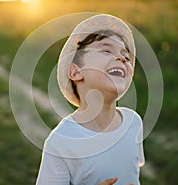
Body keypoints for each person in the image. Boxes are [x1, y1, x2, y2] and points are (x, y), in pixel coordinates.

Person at [36, 14, 145, 185]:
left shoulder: (133, 122)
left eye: (126, 55)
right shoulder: (60, 143)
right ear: (75, 72)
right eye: (106, 50)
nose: (122, 58)